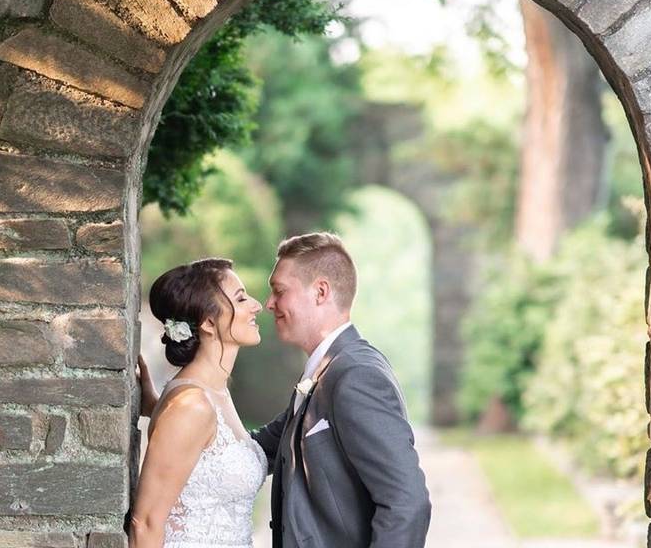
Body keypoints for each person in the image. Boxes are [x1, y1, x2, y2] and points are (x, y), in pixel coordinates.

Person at [252, 232, 431, 548]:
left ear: (320, 292)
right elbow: (256, 448)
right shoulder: (325, 372)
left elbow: (407, 502)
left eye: (279, 291)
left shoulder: (356, 376)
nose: (269, 304)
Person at [131, 258, 267, 548]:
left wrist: (152, 405)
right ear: (208, 322)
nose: (256, 305)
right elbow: (145, 524)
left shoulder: (215, 394)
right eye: (241, 298)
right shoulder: (192, 406)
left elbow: (195, 449)